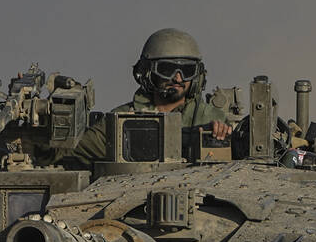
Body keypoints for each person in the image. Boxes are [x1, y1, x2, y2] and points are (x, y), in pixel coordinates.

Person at [66, 28, 232, 166]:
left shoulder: (213, 118)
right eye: (167, 69)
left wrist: (221, 137)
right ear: (147, 72)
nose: (178, 78)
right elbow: (69, 151)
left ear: (198, 77)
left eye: (187, 71)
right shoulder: (119, 121)